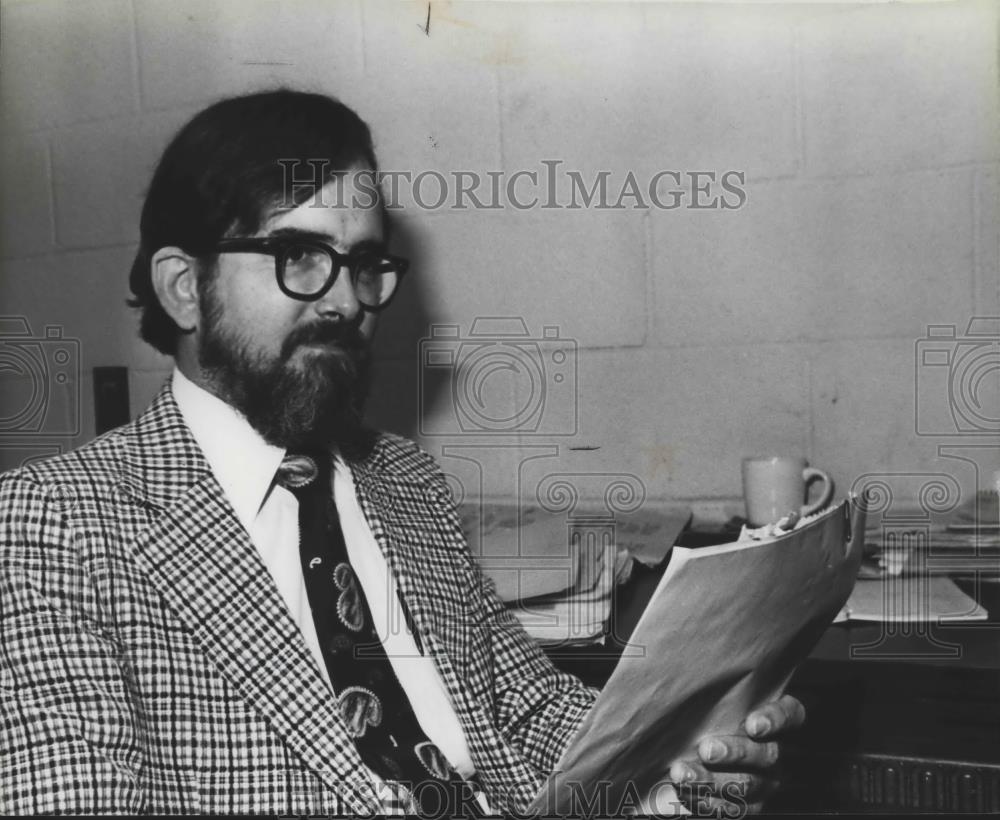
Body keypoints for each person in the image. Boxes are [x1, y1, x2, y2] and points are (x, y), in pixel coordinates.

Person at [0, 89, 803, 816]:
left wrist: (681, 765)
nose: (349, 299)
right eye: (300, 257)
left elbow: (520, 709)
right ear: (184, 287)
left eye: (363, 263)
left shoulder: (403, 479)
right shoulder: (52, 527)